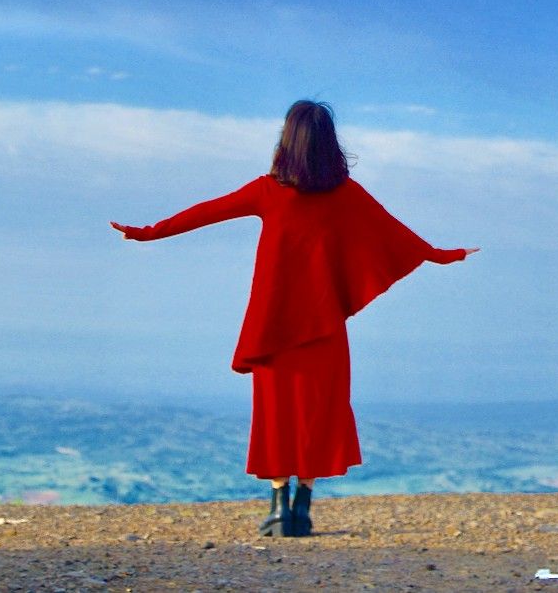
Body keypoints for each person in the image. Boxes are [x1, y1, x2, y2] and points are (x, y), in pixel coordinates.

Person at [112, 99, 476, 537]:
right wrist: (442, 255)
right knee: (317, 413)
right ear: (328, 143)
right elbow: (396, 233)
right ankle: (302, 507)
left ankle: (278, 505)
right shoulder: (346, 195)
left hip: (274, 327)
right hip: (322, 327)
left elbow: (205, 212)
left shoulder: (268, 190)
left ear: (288, 140)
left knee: (276, 413)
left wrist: (147, 232)